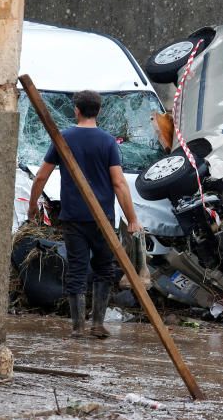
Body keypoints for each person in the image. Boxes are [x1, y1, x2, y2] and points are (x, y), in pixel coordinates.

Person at [29, 90, 141, 339]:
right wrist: (132, 218)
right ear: (98, 111)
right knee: (104, 269)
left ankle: (78, 327)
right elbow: (119, 183)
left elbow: (41, 175)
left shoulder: (63, 138)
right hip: (102, 218)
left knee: (77, 269)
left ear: (76, 110)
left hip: (73, 217)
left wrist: (32, 205)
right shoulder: (107, 141)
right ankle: (98, 324)